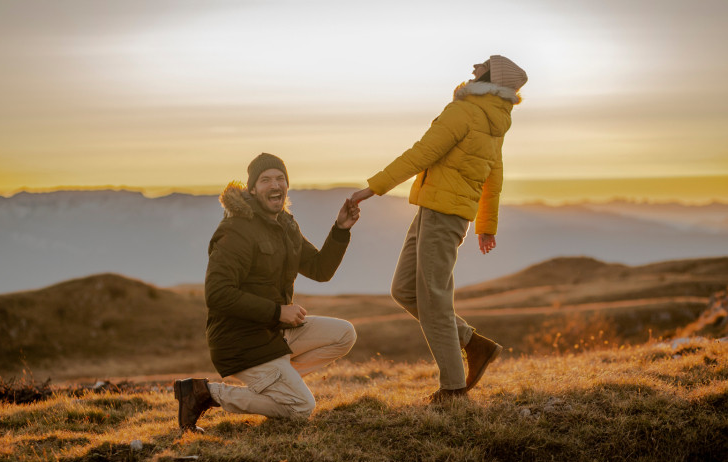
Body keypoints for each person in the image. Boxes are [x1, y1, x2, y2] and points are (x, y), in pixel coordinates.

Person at [351, 55, 528, 403]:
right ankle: (473, 344)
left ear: (491, 76)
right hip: (437, 212)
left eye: (482, 66)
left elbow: (422, 153)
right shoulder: (495, 118)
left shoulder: (466, 111)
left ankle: (453, 389)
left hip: (442, 214)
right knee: (404, 290)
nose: (474, 68)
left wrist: (372, 188)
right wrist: (485, 225)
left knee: (433, 299)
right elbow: (495, 175)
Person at [175, 153, 360, 432]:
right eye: (265, 180)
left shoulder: (285, 224)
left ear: (287, 185)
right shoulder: (236, 229)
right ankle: (205, 393)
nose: (275, 184)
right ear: (252, 189)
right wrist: (278, 311)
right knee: (300, 408)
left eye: (280, 178)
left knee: (344, 333)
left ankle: (279, 383)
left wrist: (340, 230)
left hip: (274, 332)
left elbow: (320, 270)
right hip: (241, 341)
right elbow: (217, 293)